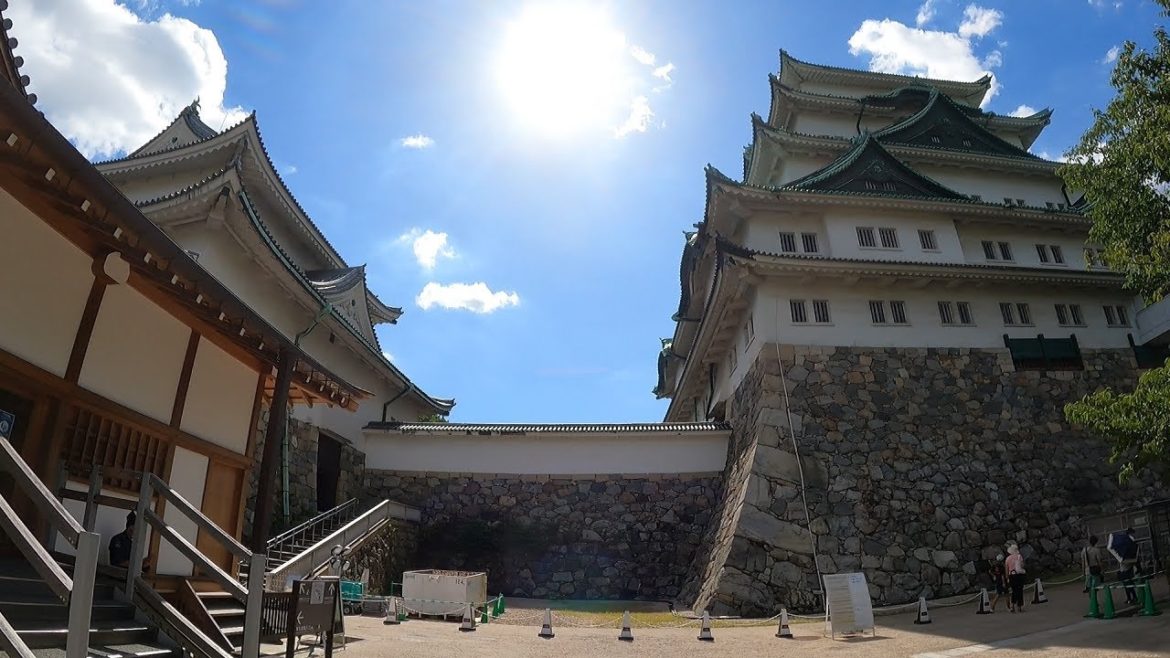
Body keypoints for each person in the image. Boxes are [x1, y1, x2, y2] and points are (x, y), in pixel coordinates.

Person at [1108, 527, 1139, 604]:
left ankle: (1130, 598)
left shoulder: (1123, 540)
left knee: (1126, 582)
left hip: (1124, 563)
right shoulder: (1131, 540)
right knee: (1129, 581)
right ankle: (1133, 597)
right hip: (1130, 561)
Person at [1005, 544, 1026, 613]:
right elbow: (1022, 565)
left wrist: (1007, 577)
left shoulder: (1008, 558)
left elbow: (1006, 569)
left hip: (1011, 575)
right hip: (1019, 575)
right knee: (1020, 590)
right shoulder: (1019, 556)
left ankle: (1012, 605)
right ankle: (1019, 606)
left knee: (1014, 590)